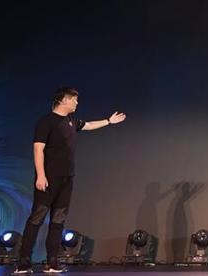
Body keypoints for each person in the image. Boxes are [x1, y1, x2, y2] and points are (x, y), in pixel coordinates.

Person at [14, 87, 126, 274]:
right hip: (49, 178)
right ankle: (23, 262)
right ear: (64, 100)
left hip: (67, 178)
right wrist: (41, 175)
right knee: (37, 217)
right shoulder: (46, 122)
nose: (76, 103)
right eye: (74, 99)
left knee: (58, 220)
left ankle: (52, 261)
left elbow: (88, 125)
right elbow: (38, 149)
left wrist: (108, 121)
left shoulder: (71, 121)